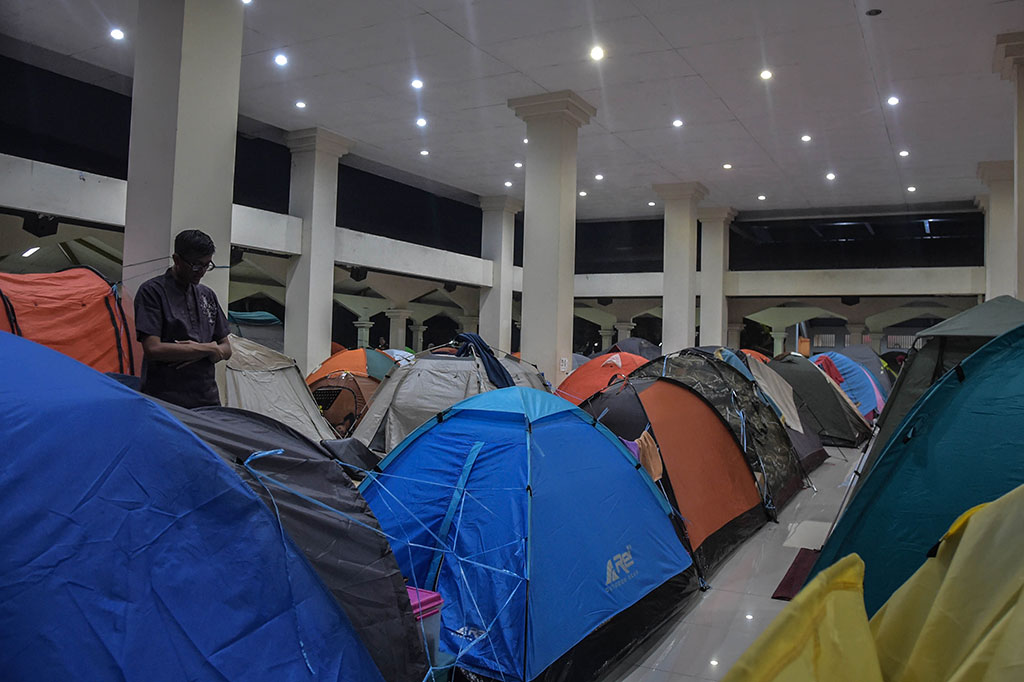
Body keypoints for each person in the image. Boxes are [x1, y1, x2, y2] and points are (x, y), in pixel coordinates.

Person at [134, 229, 232, 408]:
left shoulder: (207, 295)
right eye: (195, 265)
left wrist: (202, 349)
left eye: (206, 265)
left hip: (206, 398)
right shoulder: (152, 292)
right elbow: (153, 348)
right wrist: (206, 348)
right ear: (177, 259)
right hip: (165, 400)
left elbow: (226, 348)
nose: (201, 271)